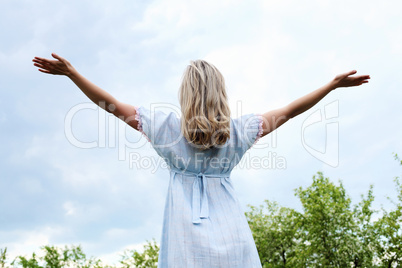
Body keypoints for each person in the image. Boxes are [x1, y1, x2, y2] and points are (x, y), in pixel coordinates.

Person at [32, 53, 370, 267]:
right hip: (234, 240)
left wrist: (73, 75)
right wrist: (331, 86)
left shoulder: (166, 130)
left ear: (185, 94)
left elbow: (109, 104)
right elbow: (289, 112)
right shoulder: (239, 132)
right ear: (221, 93)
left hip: (186, 246)